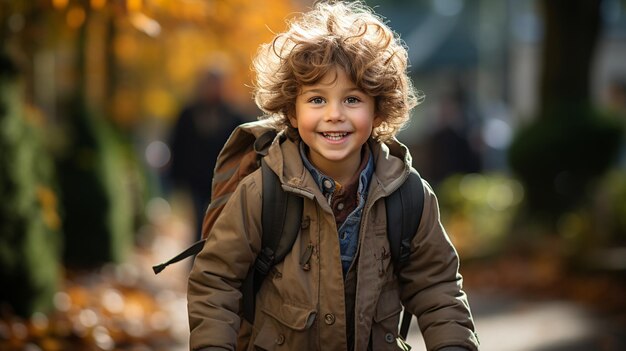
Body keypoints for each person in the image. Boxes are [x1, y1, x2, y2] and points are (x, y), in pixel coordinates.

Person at [187, 2, 479, 350]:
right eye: (316, 100)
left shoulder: (409, 195)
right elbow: (216, 281)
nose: (334, 115)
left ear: (378, 108)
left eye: (352, 99)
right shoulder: (263, 192)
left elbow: (437, 290)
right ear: (292, 113)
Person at [168, 68, 245, 241]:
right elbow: (178, 145)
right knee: (199, 222)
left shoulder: (233, 116)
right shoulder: (188, 114)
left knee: (220, 221)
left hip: (225, 179)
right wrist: (177, 177)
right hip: (196, 179)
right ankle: (198, 260)